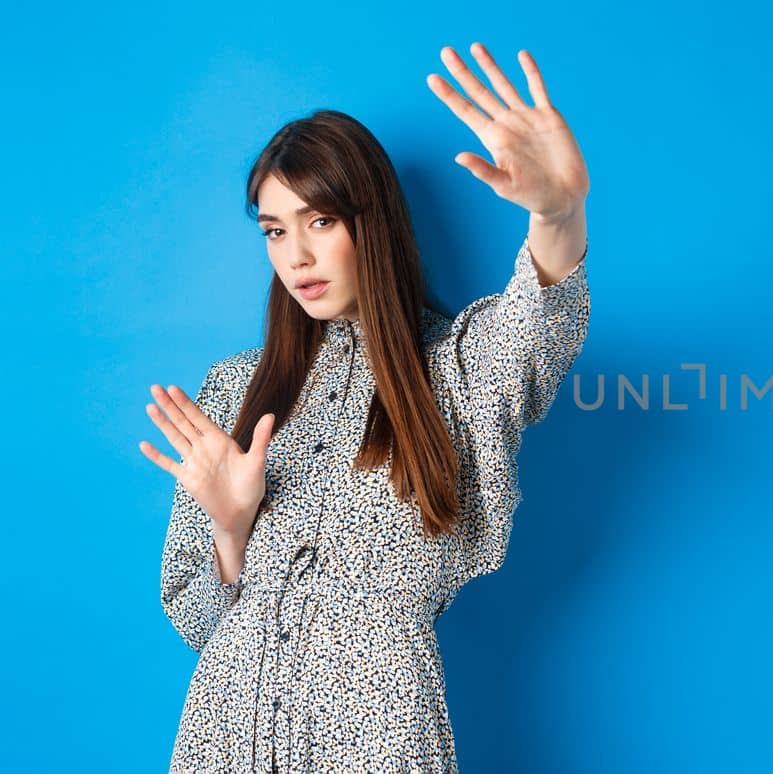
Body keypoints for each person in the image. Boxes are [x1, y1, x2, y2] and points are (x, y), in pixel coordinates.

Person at [136, 42, 590, 771]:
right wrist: (230, 528)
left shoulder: (456, 370)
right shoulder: (236, 389)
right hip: (226, 735)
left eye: (319, 222)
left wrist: (559, 215)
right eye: (275, 230)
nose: (296, 257)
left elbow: (539, 326)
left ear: (368, 221)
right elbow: (198, 620)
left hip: (378, 735)